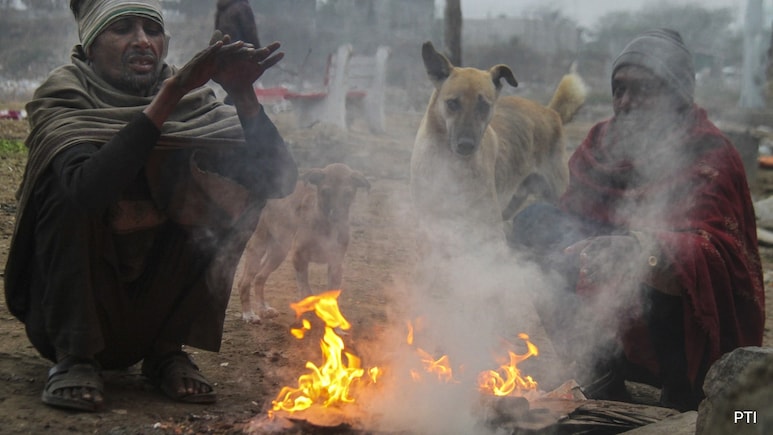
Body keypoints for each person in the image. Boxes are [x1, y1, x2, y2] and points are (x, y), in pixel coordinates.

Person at [3, 0, 298, 412]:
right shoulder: (65, 95)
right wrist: (168, 95)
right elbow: (87, 190)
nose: (142, 41)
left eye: (152, 30)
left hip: (149, 311)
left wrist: (243, 95)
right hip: (66, 316)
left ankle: (166, 351)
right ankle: (76, 357)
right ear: (90, 45)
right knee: (63, 185)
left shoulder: (193, 107)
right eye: (122, 28)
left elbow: (277, 182)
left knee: (234, 191)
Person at [507, 29, 765, 411]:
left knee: (657, 257)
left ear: (675, 95)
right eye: (618, 89)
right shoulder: (600, 143)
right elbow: (572, 221)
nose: (624, 102)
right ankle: (602, 370)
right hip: (609, 313)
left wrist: (640, 248)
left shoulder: (710, 153)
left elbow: (718, 255)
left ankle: (684, 392)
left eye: (640, 90)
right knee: (534, 223)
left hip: (684, 329)